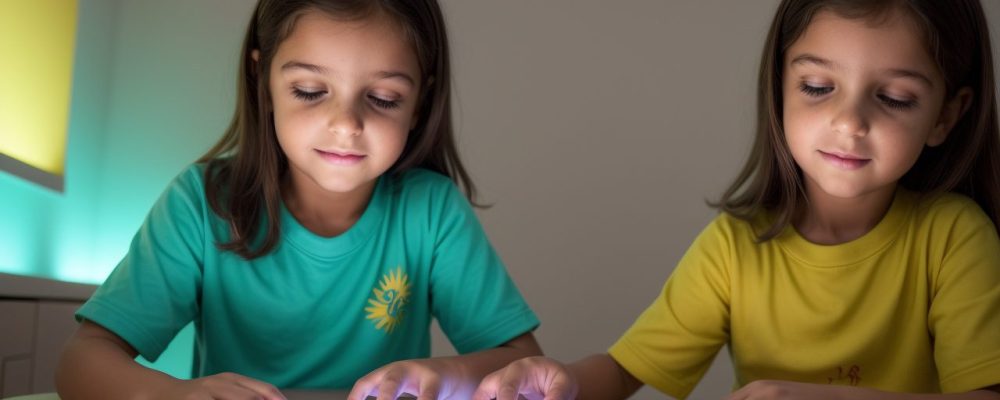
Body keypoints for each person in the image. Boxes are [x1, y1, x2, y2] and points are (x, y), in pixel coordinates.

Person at [475, 0, 1000, 399]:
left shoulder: (955, 237)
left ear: (945, 117)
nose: (849, 122)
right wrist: (562, 380)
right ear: (779, 90)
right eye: (818, 86)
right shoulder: (733, 247)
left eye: (894, 98)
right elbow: (623, 371)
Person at [55, 1, 542, 399]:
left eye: (385, 98)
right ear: (264, 82)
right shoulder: (201, 204)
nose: (346, 124)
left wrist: (447, 374)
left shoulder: (430, 210)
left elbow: (524, 362)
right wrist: (171, 394)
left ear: (418, 103)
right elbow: (83, 360)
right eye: (310, 91)